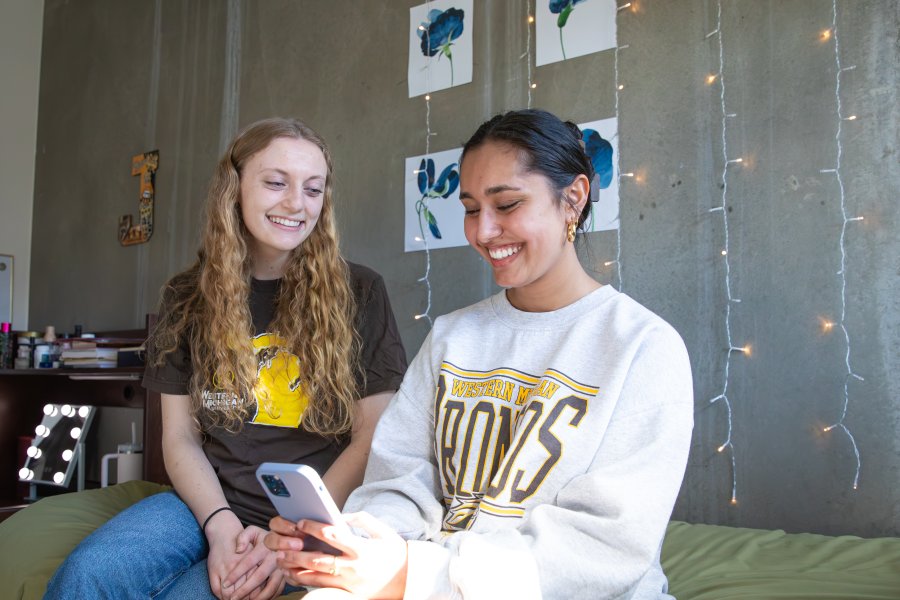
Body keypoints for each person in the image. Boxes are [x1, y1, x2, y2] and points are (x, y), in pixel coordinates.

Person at [264, 109, 694, 599]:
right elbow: (398, 479)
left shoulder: (641, 346)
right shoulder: (453, 336)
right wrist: (358, 547)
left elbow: (603, 548)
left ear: (572, 199)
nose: (483, 232)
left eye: (506, 204)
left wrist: (416, 574)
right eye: (471, 209)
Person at [45, 117, 407, 599]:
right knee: (87, 575)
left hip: (306, 518)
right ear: (234, 188)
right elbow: (179, 437)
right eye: (276, 182)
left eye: (313, 189)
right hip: (203, 504)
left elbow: (370, 439)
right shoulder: (186, 295)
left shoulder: (361, 291)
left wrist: (297, 538)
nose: (296, 203)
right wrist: (218, 526)